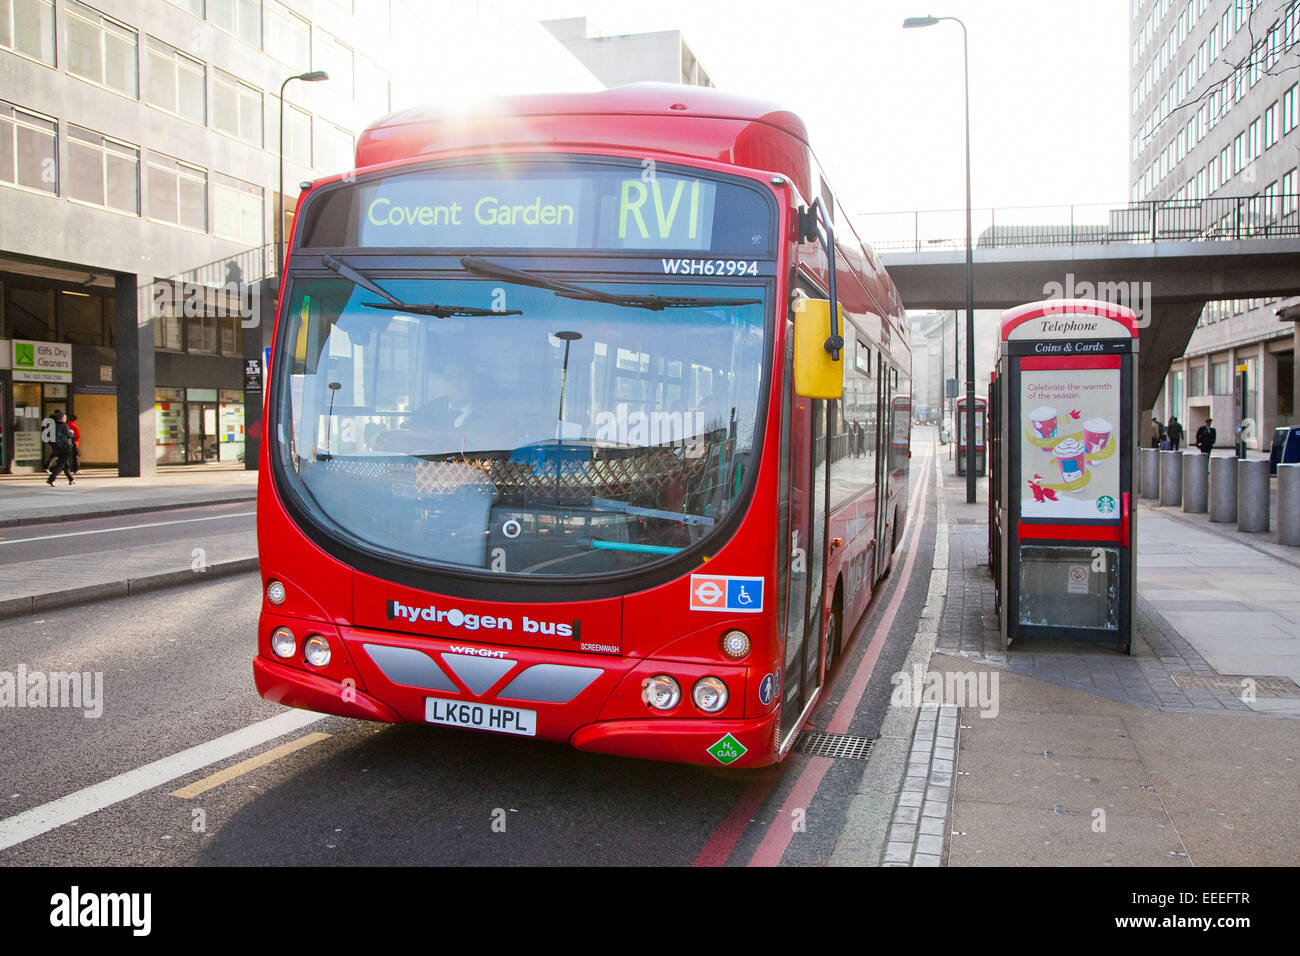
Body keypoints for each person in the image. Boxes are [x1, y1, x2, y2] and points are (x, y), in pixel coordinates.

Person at [46, 410, 75, 486]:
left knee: (64, 464)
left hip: (56, 448)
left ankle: (71, 479)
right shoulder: (64, 425)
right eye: (64, 418)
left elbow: (48, 436)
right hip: (65, 448)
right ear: (62, 418)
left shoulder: (53, 426)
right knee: (60, 464)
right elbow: (68, 435)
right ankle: (51, 479)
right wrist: (71, 433)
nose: (65, 419)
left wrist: (53, 444)